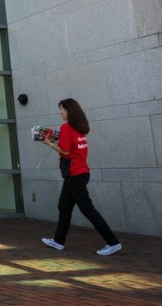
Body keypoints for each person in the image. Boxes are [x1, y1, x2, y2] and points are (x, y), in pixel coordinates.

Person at [40, 98, 122, 256]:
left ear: (69, 111)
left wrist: (48, 142)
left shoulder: (66, 128)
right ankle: (58, 241)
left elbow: (64, 151)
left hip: (74, 174)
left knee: (88, 209)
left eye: (62, 109)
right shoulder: (80, 128)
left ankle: (113, 242)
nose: (60, 112)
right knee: (64, 206)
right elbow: (72, 148)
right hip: (81, 172)